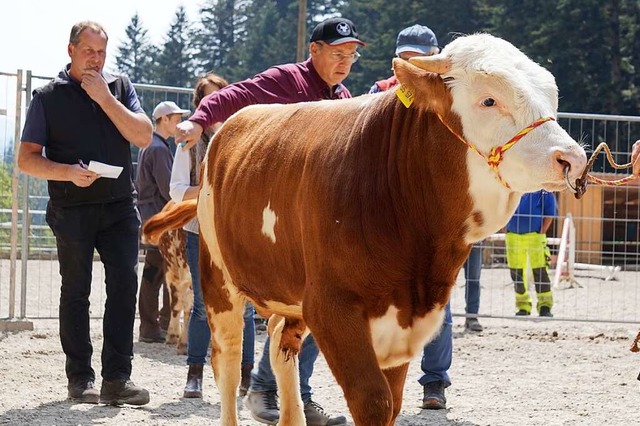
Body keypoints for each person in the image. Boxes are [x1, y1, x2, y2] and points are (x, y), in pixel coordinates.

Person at [175, 16, 365, 426]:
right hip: (268, 220)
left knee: (321, 311)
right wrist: (198, 119)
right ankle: (267, 392)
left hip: (315, 226)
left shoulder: (345, 100)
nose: (345, 61)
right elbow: (237, 94)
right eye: (337, 53)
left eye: (350, 55)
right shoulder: (287, 80)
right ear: (313, 51)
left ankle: (283, 394)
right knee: (281, 308)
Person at [17, 21, 152, 405]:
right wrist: (67, 173)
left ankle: (117, 380)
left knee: (124, 287)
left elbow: (142, 136)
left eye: (102, 53)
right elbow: (27, 160)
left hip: (120, 207)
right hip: (71, 208)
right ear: (71, 50)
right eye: (89, 51)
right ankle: (81, 380)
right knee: (75, 293)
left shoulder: (120, 87)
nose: (96, 60)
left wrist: (106, 99)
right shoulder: (47, 97)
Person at [369, 23, 456, 411]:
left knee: (437, 302)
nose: (414, 65)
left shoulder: (455, 96)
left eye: (421, 58)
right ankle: (378, 382)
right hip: (388, 216)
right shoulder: (380, 93)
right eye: (407, 59)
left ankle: (434, 382)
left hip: (437, 215)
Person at [169, 73, 257, 400]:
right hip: (200, 230)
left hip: (239, 232)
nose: (217, 106)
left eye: (222, 98)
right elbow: (176, 191)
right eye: (208, 99)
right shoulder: (188, 143)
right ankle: (195, 375)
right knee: (203, 304)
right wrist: (211, 191)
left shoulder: (247, 139)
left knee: (245, 304)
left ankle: (247, 377)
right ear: (199, 106)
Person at [136, 101, 189, 343]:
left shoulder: (150, 145)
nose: (179, 123)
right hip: (161, 217)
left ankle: (153, 325)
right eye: (176, 118)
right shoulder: (158, 149)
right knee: (164, 270)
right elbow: (169, 189)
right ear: (164, 119)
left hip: (151, 215)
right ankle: (160, 323)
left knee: (154, 270)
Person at [505, 190, 557, 317]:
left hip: (535, 236)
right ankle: (523, 306)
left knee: (540, 271)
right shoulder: (513, 185)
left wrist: (542, 231)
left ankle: (545, 306)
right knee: (516, 273)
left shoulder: (543, 190)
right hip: (513, 236)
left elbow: (550, 212)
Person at [463, 243, 483, 332]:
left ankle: (472, 316)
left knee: (473, 280)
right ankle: (443, 319)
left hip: (475, 241)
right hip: (453, 239)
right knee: (446, 279)